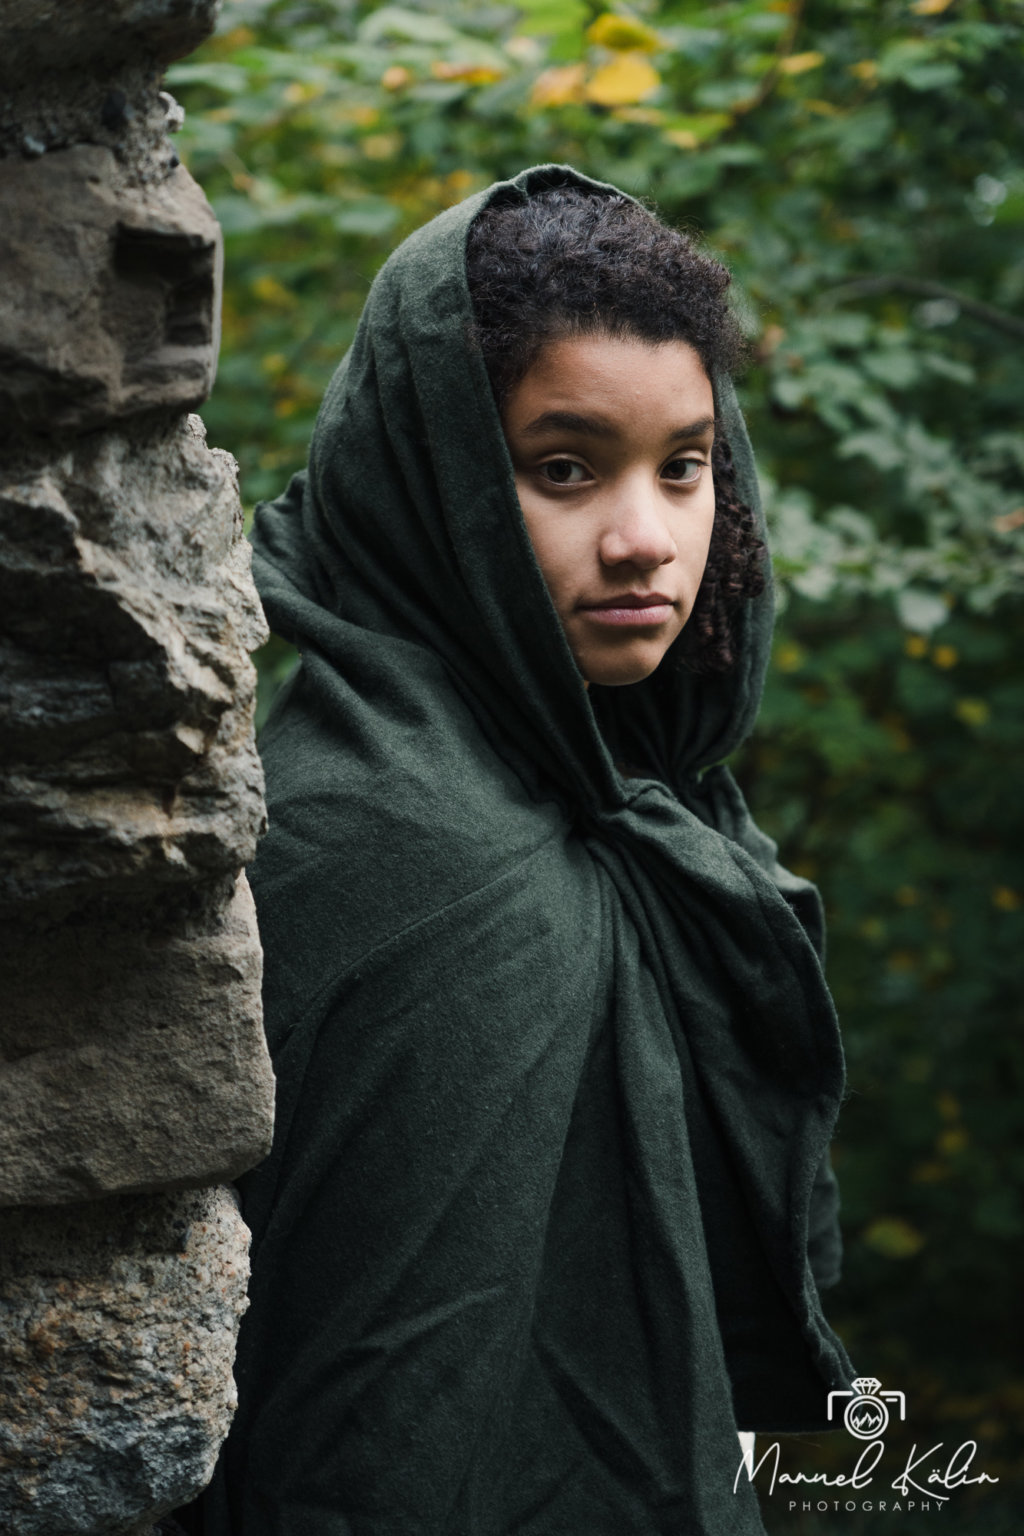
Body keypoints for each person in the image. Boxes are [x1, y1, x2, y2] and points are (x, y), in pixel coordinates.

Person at [192, 164, 853, 1536]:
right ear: (438, 483)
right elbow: (367, 1425)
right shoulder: (368, 846)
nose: (644, 541)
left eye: (684, 467)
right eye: (564, 470)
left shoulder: (648, 807)